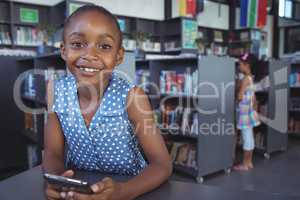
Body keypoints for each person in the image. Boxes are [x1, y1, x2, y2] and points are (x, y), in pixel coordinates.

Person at [43, 5, 172, 200]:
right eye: (78, 44)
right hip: (79, 191)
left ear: (119, 56)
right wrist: (57, 181)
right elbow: (52, 152)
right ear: (64, 50)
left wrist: (123, 192)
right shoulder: (55, 90)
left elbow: (162, 164)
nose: (89, 55)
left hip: (132, 189)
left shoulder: (132, 97)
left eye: (104, 46)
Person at [234, 53, 260, 171]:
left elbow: (240, 97)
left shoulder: (245, 79)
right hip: (249, 110)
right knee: (249, 136)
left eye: (240, 64)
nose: (239, 66)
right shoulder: (251, 78)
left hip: (244, 110)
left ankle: (245, 163)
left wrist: (237, 88)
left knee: (246, 137)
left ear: (247, 65)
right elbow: (253, 97)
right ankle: (249, 162)